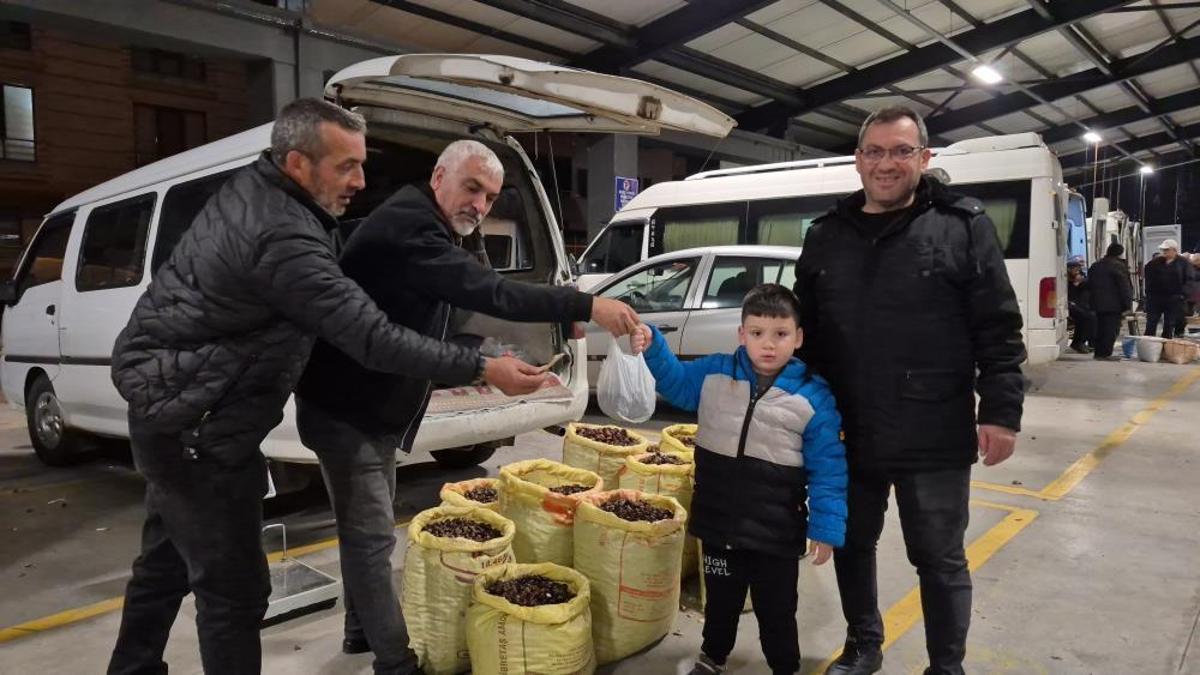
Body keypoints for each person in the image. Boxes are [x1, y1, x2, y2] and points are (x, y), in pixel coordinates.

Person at [106, 99, 546, 675]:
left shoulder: (268, 198)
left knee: (164, 565)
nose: (360, 181)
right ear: (296, 162)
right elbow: (371, 337)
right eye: (346, 167)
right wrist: (483, 369)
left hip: (183, 414)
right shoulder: (282, 235)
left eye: (362, 166)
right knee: (234, 593)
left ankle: (132, 668)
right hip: (201, 430)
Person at [293, 139, 640, 674]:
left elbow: (458, 310)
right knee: (369, 539)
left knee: (365, 531)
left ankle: (360, 632)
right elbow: (489, 293)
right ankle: (394, 663)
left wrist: (540, 330)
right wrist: (587, 303)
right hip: (347, 409)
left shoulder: (426, 228)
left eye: (491, 197)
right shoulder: (412, 227)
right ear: (439, 178)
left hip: (364, 406)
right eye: (472, 187)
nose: (480, 206)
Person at [791, 105, 1026, 675]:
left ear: (924, 157)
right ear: (858, 160)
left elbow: (996, 324)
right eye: (874, 151)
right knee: (850, 541)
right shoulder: (826, 235)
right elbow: (806, 335)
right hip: (848, 423)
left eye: (901, 151)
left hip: (935, 424)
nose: (886, 163)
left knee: (939, 557)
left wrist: (1001, 410)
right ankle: (864, 645)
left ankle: (946, 666)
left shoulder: (963, 225)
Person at [630, 283, 848, 675]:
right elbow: (676, 382)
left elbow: (829, 468)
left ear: (798, 338)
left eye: (781, 334)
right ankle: (712, 658)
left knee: (777, 609)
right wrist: (653, 344)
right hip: (719, 522)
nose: (769, 345)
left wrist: (827, 527)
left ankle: (785, 667)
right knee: (721, 602)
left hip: (776, 532)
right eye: (757, 333)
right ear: (741, 334)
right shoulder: (715, 372)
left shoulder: (813, 397)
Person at [1088, 243, 1134, 361]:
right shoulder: (1118, 266)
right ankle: (1105, 353)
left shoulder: (1095, 266)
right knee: (1110, 329)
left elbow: (1089, 284)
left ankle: (1098, 352)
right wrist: (1128, 305)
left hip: (1096, 303)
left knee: (1099, 328)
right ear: (1119, 253)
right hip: (1113, 305)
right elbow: (1124, 287)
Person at [1144, 239, 1193, 339]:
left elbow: (1189, 279)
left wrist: (1183, 295)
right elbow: (1148, 274)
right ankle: (1148, 343)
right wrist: (1149, 293)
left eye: (1167, 249)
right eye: (1163, 250)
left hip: (1174, 298)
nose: (1164, 252)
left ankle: (1166, 344)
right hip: (1156, 298)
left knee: (1169, 324)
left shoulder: (1183, 263)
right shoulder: (1156, 262)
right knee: (1151, 322)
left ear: (1174, 250)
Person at [1067, 262, 1095, 353]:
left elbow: (1088, 284)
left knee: (1091, 316)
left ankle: (1088, 342)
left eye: (1078, 269)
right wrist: (1074, 284)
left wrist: (1080, 282)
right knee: (1086, 317)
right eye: (1075, 269)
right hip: (1069, 304)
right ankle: (1078, 342)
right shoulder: (1067, 280)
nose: (1077, 272)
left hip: (1080, 305)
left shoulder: (1082, 279)